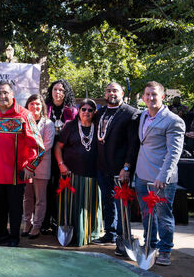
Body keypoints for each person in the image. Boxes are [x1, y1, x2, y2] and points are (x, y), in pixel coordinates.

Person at [0, 82, 45, 247]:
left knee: (15, 209)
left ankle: (14, 238)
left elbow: (39, 146)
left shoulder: (24, 115)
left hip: (17, 173)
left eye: (5, 93)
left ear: (12, 94)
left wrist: (30, 166)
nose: (2, 96)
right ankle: (0, 236)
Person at [135, 81, 185, 266]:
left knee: (164, 215)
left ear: (162, 96)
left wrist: (163, 177)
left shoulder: (174, 120)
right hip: (141, 175)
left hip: (161, 179)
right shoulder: (142, 116)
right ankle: (150, 244)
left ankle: (165, 250)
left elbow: (174, 152)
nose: (150, 98)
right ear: (143, 98)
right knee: (146, 214)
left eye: (154, 94)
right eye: (147, 94)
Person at [92, 82, 140, 257]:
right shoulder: (101, 112)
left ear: (121, 93)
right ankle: (110, 234)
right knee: (107, 202)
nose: (111, 93)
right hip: (102, 166)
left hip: (121, 169)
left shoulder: (131, 113)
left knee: (122, 205)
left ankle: (123, 238)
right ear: (105, 93)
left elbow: (134, 143)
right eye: (109, 90)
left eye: (115, 90)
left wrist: (127, 167)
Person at [54, 99, 103, 246]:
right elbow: (58, 147)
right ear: (79, 111)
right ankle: (72, 235)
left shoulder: (99, 127)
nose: (86, 112)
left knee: (90, 206)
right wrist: (61, 165)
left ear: (94, 112)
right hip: (71, 175)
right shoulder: (70, 127)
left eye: (90, 110)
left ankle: (89, 235)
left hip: (93, 176)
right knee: (72, 206)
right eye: (83, 109)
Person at [42, 79, 77, 235]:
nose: (58, 93)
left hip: (65, 155)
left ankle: (59, 220)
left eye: (61, 90)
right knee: (46, 188)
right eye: (55, 89)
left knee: (61, 188)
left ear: (66, 93)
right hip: (46, 154)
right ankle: (44, 220)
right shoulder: (45, 109)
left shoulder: (72, 111)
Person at [22, 94, 55, 239]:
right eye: (32, 104)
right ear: (27, 105)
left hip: (41, 165)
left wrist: (32, 161)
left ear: (42, 106)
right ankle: (26, 223)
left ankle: (37, 226)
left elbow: (47, 145)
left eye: (37, 104)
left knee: (40, 198)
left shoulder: (48, 124)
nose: (35, 107)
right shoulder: (23, 122)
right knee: (27, 197)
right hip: (25, 165)